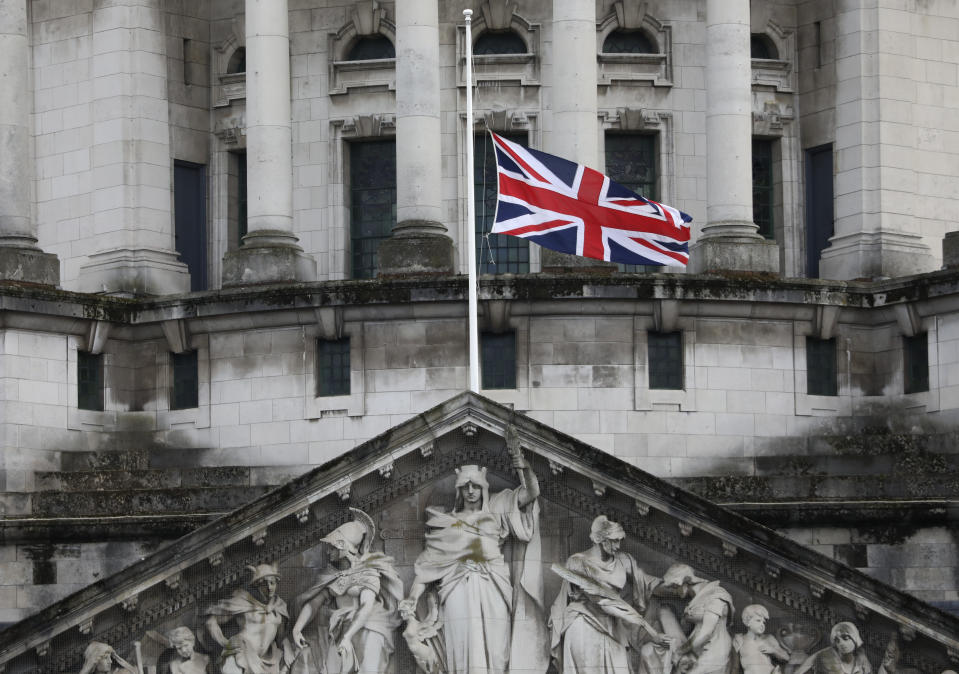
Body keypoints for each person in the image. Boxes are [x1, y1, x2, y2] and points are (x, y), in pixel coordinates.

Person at [400, 447, 549, 674]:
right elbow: (427, 567)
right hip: (457, 587)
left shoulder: (497, 508)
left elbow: (531, 492)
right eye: (465, 486)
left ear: (484, 488)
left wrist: (523, 466)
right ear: (459, 490)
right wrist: (412, 598)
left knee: (498, 650)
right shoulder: (446, 523)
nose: (471, 491)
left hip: (494, 586)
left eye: (476, 486)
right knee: (462, 643)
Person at [549, 515, 670, 673]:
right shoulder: (578, 562)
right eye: (614, 540)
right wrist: (652, 632)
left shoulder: (624, 561)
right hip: (584, 623)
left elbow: (647, 583)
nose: (618, 546)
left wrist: (681, 586)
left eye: (620, 540)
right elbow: (603, 601)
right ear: (600, 539)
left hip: (613, 626)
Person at [291, 508, 403, 674]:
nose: (329, 552)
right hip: (342, 630)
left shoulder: (368, 571)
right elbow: (314, 602)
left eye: (332, 547)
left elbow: (366, 606)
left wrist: (348, 637)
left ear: (343, 546)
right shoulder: (334, 575)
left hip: (368, 629)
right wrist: (297, 628)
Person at [639, 564, 734, 674]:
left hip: (714, 649)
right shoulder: (695, 598)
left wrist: (679, 652)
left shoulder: (716, 594)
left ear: (684, 582)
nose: (674, 592)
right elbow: (659, 591)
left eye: (674, 587)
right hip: (695, 650)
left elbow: (706, 632)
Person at [205, 562, 289, 674]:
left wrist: (288, 647)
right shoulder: (243, 601)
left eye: (272, 583)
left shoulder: (279, 607)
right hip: (241, 652)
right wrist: (225, 643)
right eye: (264, 584)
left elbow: (281, 638)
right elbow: (211, 621)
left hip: (268, 659)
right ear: (257, 585)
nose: (269, 587)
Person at [795, 622, 874, 674]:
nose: (841, 643)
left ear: (855, 638)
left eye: (845, 638)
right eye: (837, 640)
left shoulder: (862, 661)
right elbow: (811, 660)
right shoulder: (828, 657)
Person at [732, 605, 790, 674]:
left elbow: (786, 658)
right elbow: (734, 666)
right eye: (758, 620)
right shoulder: (739, 639)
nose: (762, 624)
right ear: (748, 622)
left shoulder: (768, 638)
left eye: (764, 622)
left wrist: (773, 650)